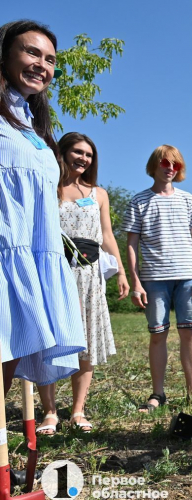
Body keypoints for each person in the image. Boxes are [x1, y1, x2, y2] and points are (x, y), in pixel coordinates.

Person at [0, 20, 84, 393]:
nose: (42, 65)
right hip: (5, 253)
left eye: (50, 59)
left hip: (31, 259)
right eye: (32, 52)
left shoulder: (32, 127)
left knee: (10, 352)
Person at [35, 132, 129, 435]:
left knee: (86, 343)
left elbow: (108, 234)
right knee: (50, 341)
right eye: (77, 152)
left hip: (89, 275)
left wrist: (124, 274)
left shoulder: (99, 193)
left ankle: (77, 410)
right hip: (54, 271)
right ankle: (49, 411)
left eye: (88, 154)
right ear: (62, 153)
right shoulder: (50, 186)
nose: (83, 158)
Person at [121, 145, 192, 412]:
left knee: (189, 334)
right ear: (154, 166)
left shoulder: (188, 199)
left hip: (188, 277)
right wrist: (135, 281)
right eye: (165, 163)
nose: (170, 168)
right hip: (153, 278)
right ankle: (157, 394)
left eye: (175, 164)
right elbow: (131, 244)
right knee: (158, 335)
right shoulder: (138, 201)